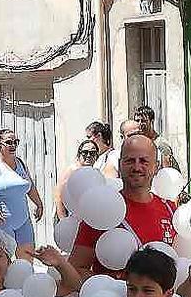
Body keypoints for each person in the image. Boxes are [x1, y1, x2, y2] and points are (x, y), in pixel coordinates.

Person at [72, 135, 178, 276]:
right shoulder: (102, 210)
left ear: (156, 166)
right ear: (120, 164)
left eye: (144, 161)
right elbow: (75, 269)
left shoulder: (170, 209)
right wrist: (115, 286)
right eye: (130, 161)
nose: (136, 167)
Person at [0, 128, 42, 249]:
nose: (13, 145)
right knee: (1, 261)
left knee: (27, 258)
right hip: (0, 223)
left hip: (23, 222)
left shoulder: (20, 163)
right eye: (8, 142)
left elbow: (30, 186)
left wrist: (39, 204)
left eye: (15, 142)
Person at [52, 139, 105, 222]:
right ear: (79, 154)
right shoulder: (72, 170)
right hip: (69, 217)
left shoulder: (94, 172)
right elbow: (59, 194)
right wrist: (62, 218)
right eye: (85, 152)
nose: (88, 155)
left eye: (92, 153)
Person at [131, 104, 180, 173]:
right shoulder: (139, 142)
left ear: (151, 121)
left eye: (143, 121)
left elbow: (167, 171)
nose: (140, 124)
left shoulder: (161, 145)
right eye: (137, 121)